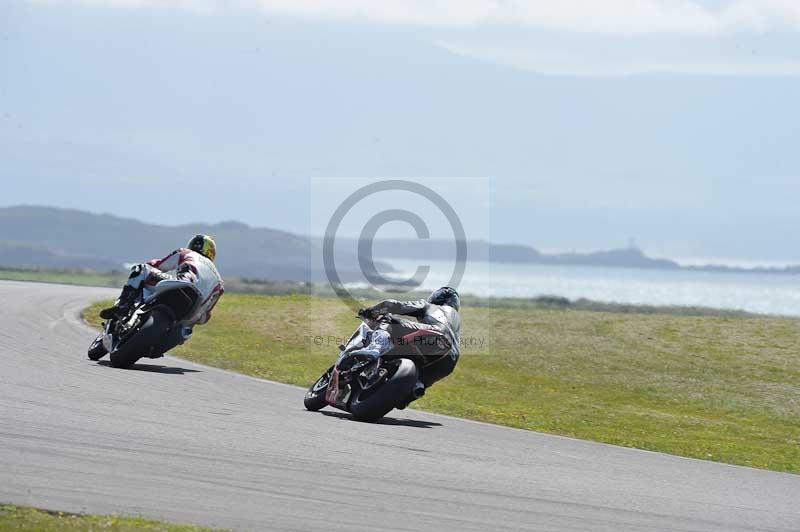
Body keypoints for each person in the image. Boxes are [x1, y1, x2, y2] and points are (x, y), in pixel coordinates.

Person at [355, 287, 461, 399]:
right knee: (416, 387)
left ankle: (374, 349)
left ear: (436, 298)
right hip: (450, 361)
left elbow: (395, 305)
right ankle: (411, 393)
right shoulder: (456, 320)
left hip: (433, 335)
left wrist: (370, 311)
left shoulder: (432, 307)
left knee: (388, 320)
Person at [99, 234, 224, 327]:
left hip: (180, 285)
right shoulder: (219, 281)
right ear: (211, 253)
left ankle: (123, 305)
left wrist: (148, 266)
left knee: (141, 269)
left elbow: (159, 265)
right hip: (193, 308)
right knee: (188, 327)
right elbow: (206, 316)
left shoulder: (187, 253)